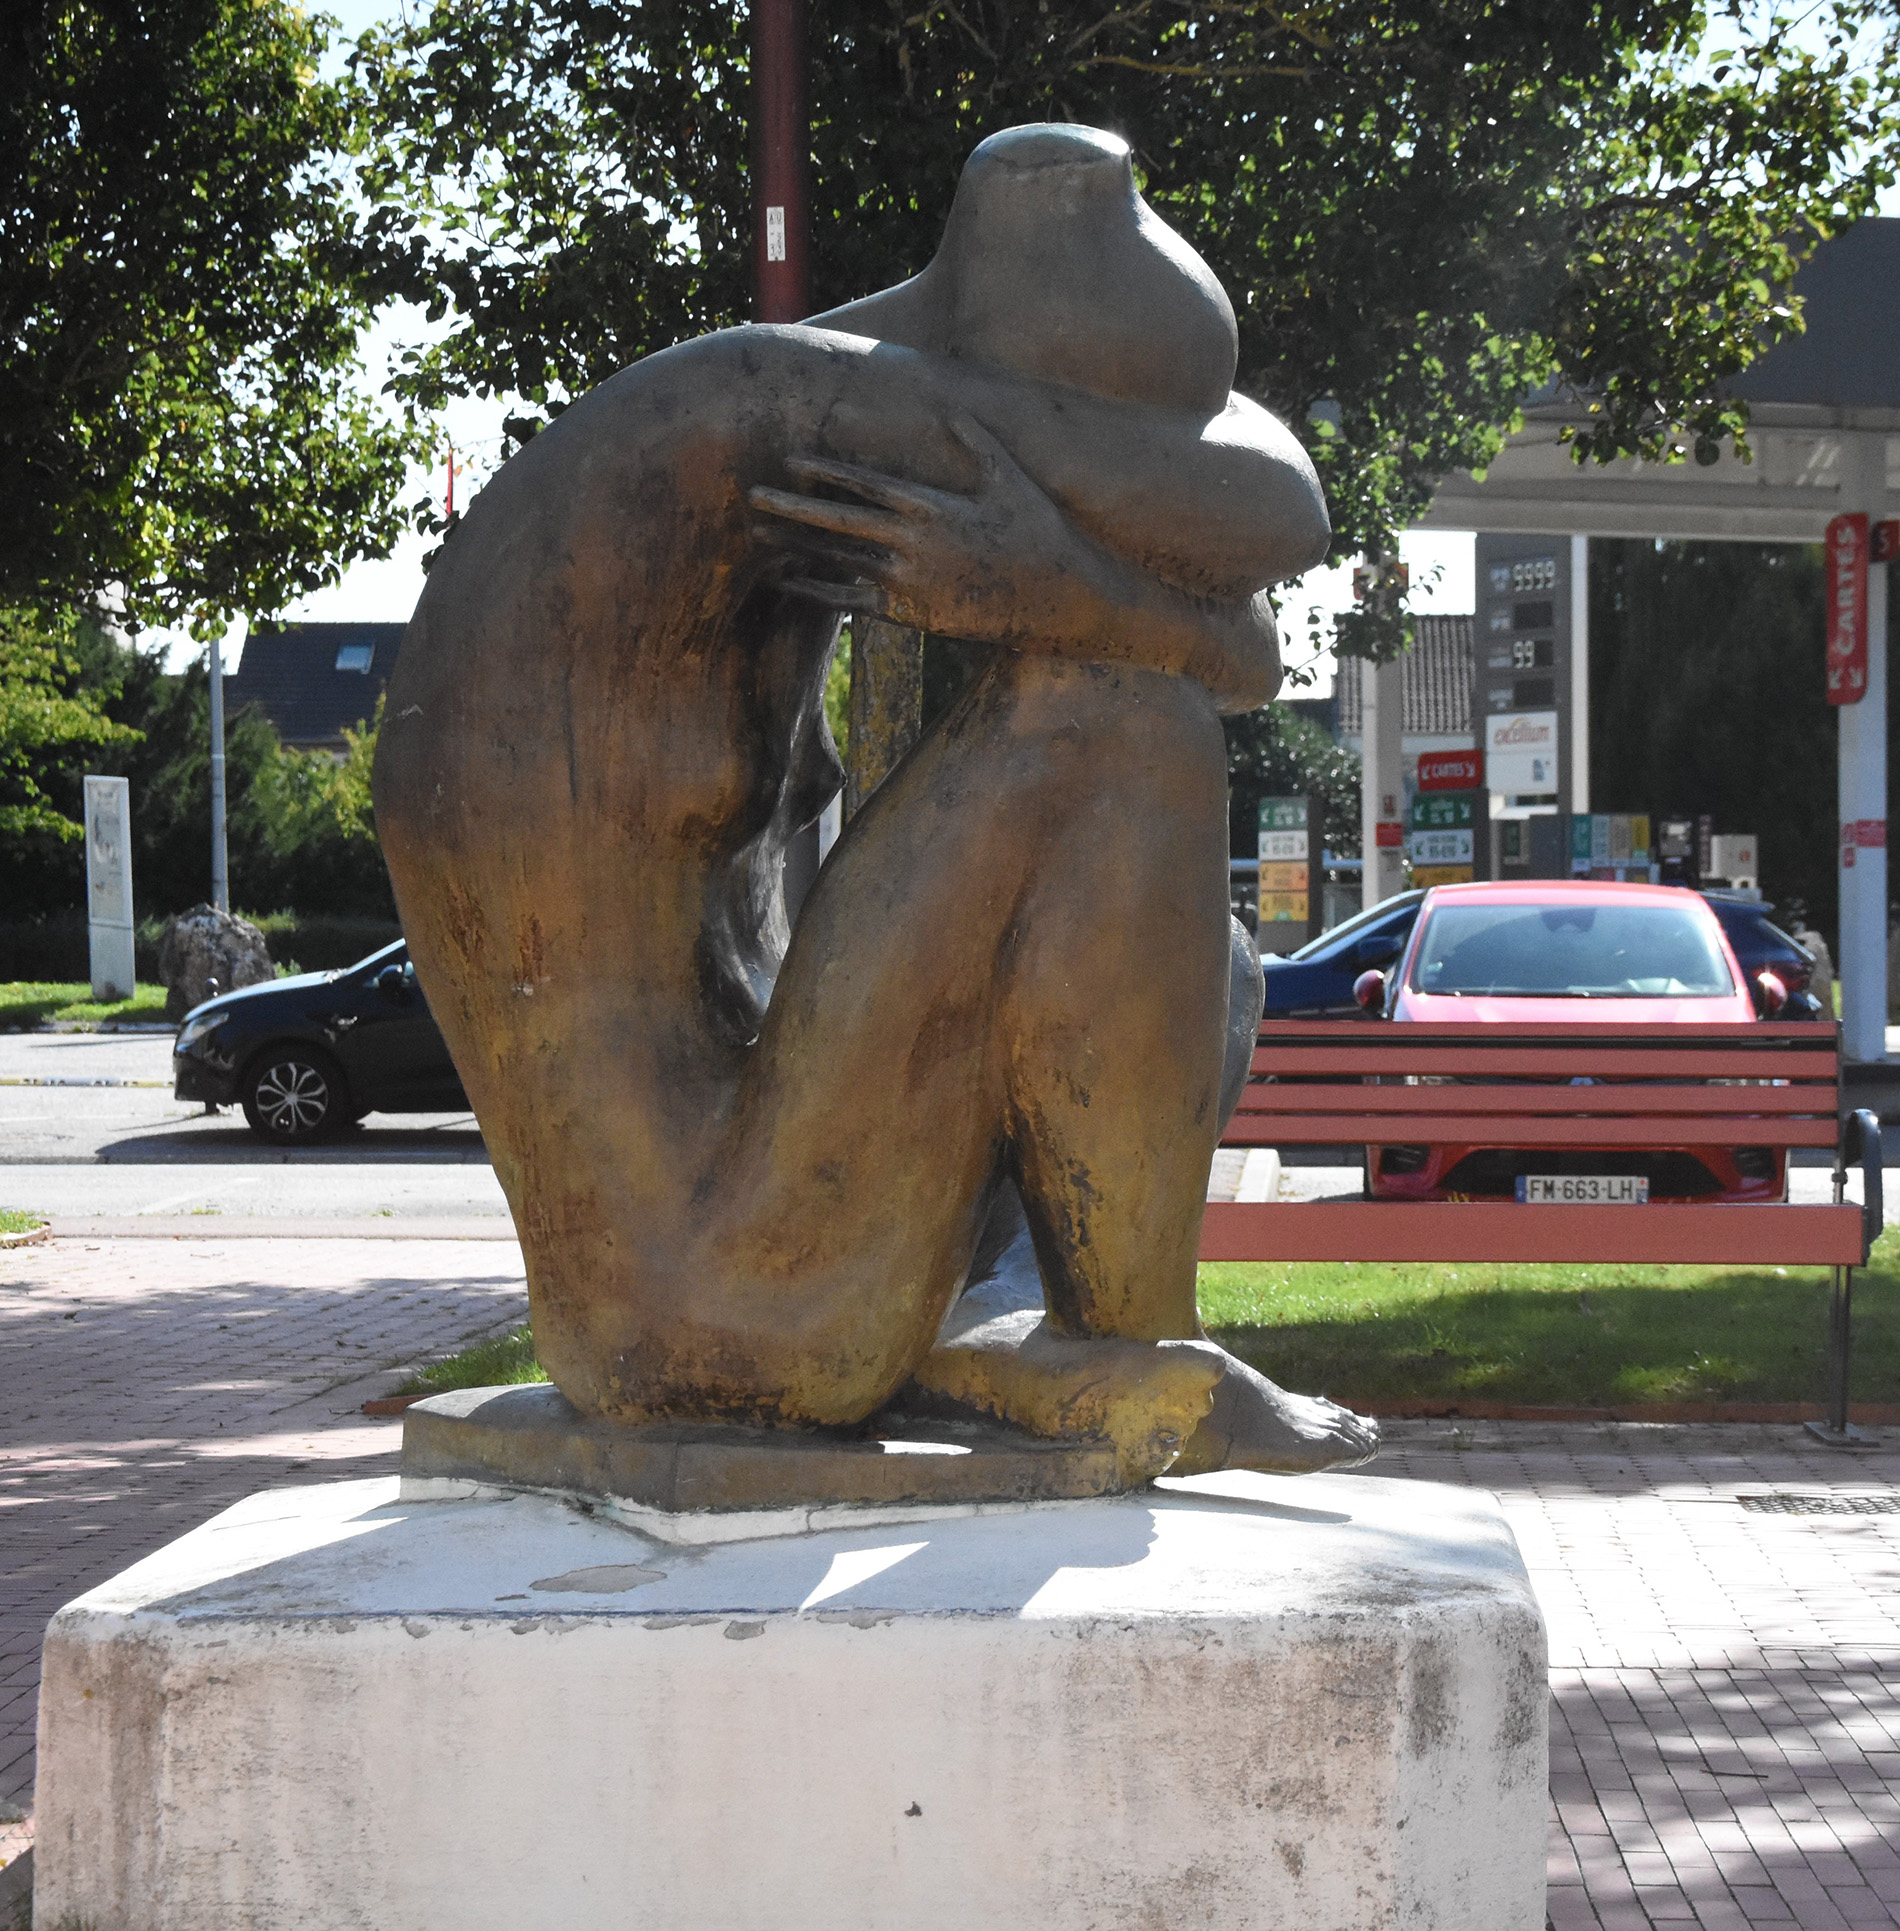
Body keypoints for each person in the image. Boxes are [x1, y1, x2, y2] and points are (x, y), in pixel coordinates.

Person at [375, 124, 1375, 1476]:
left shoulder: (768, 470)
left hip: (773, 1212)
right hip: (711, 1300)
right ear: (1017, 398)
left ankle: (1028, 1336)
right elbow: (1275, 514)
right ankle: (1122, 1343)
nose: (1117, 478)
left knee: (1219, 959)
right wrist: (1080, 595)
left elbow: (1246, 640)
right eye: (1106, 439)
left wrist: (1065, 590)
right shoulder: (727, 419)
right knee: (1120, 721)